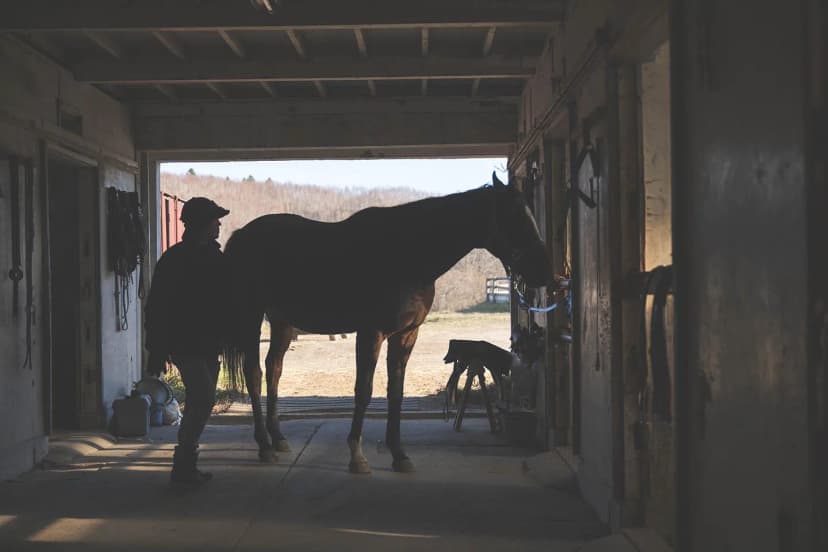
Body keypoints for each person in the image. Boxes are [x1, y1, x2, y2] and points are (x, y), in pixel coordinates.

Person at [144, 197, 231, 488]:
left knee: (200, 401)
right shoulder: (174, 260)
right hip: (186, 344)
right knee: (204, 397)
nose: (219, 224)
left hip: (209, 343)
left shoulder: (216, 258)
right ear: (201, 224)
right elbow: (157, 307)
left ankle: (186, 466)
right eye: (215, 219)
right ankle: (182, 465)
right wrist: (156, 350)